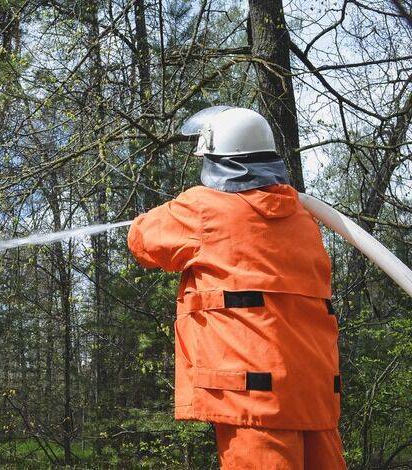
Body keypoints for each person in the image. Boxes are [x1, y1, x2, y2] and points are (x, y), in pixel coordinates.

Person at [127, 107, 346, 469]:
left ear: (217, 160)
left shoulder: (204, 208)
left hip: (254, 402)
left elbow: (143, 240)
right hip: (314, 393)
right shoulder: (305, 220)